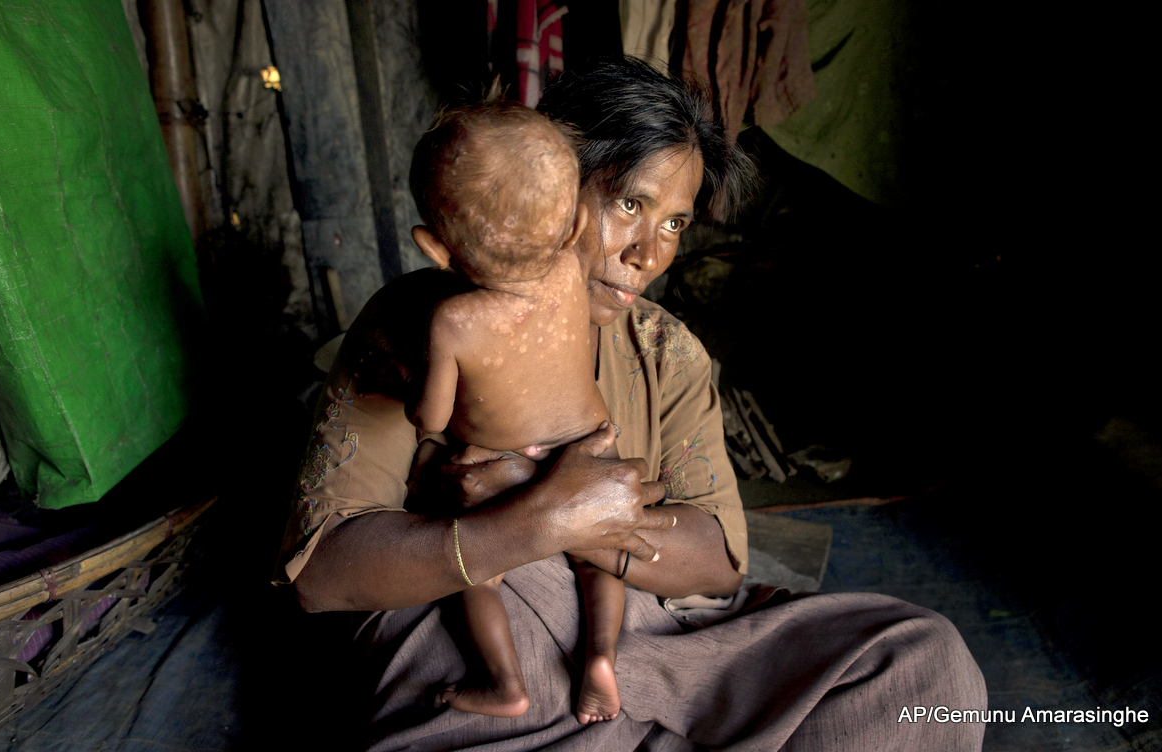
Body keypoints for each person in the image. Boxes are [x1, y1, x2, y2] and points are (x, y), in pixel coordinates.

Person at [274, 57, 987, 750]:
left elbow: (715, 561)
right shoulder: (415, 324)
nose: (651, 252)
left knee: (923, 668)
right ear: (553, 188)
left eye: (675, 223)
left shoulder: (665, 351)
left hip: (656, 640)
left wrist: (549, 505)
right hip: (508, 630)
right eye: (629, 204)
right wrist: (528, 529)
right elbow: (325, 573)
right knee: (508, 652)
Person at [405, 98, 639, 722]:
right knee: (598, 557)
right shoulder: (569, 268)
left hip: (500, 468)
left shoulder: (454, 320)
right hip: (590, 444)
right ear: (572, 230)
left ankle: (505, 683)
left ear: (433, 248)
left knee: (476, 576)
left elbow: (430, 417)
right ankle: (601, 658)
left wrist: (419, 406)